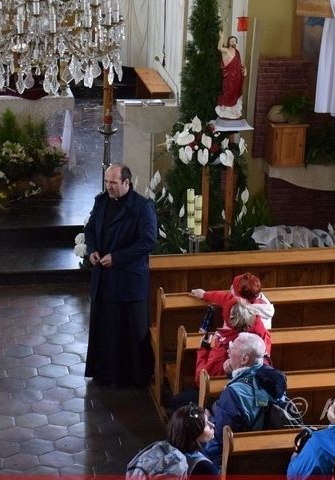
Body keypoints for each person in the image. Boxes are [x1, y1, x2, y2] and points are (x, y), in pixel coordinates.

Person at [83, 163, 157, 388]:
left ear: (127, 182)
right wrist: (92, 249)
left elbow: (147, 241)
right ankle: (104, 372)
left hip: (127, 280)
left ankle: (131, 377)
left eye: (113, 183)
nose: (109, 187)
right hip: (104, 279)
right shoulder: (101, 201)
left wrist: (117, 258)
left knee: (128, 330)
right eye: (107, 182)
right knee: (105, 327)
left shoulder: (142, 207)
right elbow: (90, 229)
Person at [202, 333, 287, 465]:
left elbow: (219, 438)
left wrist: (208, 420)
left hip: (236, 461)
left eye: (232, 347)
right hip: (269, 453)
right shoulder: (273, 379)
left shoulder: (233, 394)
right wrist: (233, 372)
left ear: (244, 358)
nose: (228, 350)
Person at [127, 404, 217, 477]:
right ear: (195, 433)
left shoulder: (161, 447)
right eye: (206, 424)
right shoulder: (205, 468)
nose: (212, 425)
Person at [215, 34, 246, 120]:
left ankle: (233, 109)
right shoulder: (226, 50)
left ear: (236, 42)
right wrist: (221, 38)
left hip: (237, 76)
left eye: (234, 41)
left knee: (235, 92)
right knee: (228, 91)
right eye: (231, 41)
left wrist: (244, 69)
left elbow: (240, 64)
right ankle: (225, 107)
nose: (233, 42)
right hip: (229, 76)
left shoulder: (237, 52)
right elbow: (219, 48)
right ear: (228, 42)